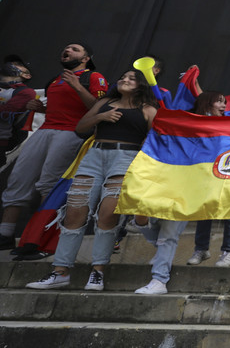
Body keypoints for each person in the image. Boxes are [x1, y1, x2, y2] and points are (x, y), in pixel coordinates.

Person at [25, 69, 158, 291]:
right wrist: (100, 117)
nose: (124, 79)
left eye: (132, 78)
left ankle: (98, 272)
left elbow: (154, 141)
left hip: (126, 158)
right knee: (74, 212)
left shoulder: (148, 109)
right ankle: (60, 271)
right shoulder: (105, 102)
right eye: (123, 76)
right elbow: (81, 128)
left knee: (108, 214)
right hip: (94, 155)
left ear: (142, 85)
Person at [0, 43, 108, 250]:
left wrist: (77, 86)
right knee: (19, 177)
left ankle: (38, 236)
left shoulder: (94, 77)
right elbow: (56, 108)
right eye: (66, 49)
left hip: (70, 133)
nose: (67, 51)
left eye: (75, 49)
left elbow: (100, 108)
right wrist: (39, 108)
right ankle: (5, 233)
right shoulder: (55, 79)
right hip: (46, 130)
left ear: (86, 58)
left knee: (49, 182)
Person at [186, 92, 230, 268]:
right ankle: (201, 249)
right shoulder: (196, 122)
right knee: (205, 209)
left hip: (228, 170)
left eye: (225, 102)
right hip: (205, 172)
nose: (224, 106)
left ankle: (228, 251)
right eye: (219, 102)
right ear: (208, 104)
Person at [0, 60, 36, 168]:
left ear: (26, 75)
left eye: (18, 65)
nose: (12, 65)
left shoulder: (25, 92)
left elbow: (6, 114)